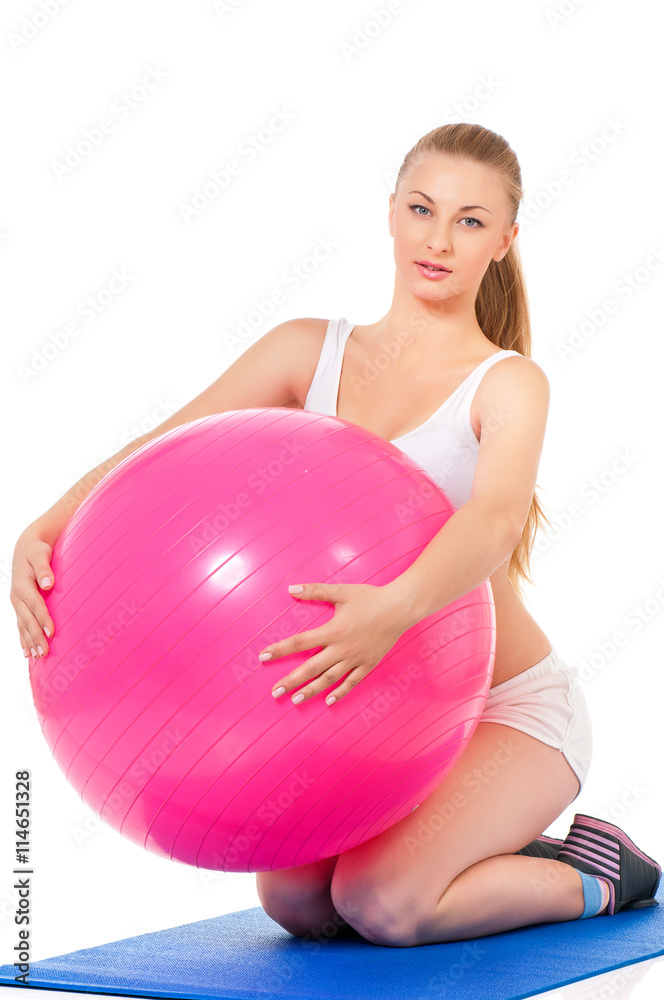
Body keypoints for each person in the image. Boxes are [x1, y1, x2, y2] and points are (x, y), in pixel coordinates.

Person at [11, 123, 660, 949]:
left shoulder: (506, 384)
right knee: (298, 903)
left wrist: (394, 609)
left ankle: (597, 876)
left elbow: (493, 520)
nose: (438, 237)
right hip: (368, 713)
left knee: (384, 904)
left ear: (505, 241)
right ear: (390, 214)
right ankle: (466, 847)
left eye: (469, 220)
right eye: (422, 209)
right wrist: (47, 522)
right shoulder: (305, 354)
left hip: (507, 715)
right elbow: (161, 449)